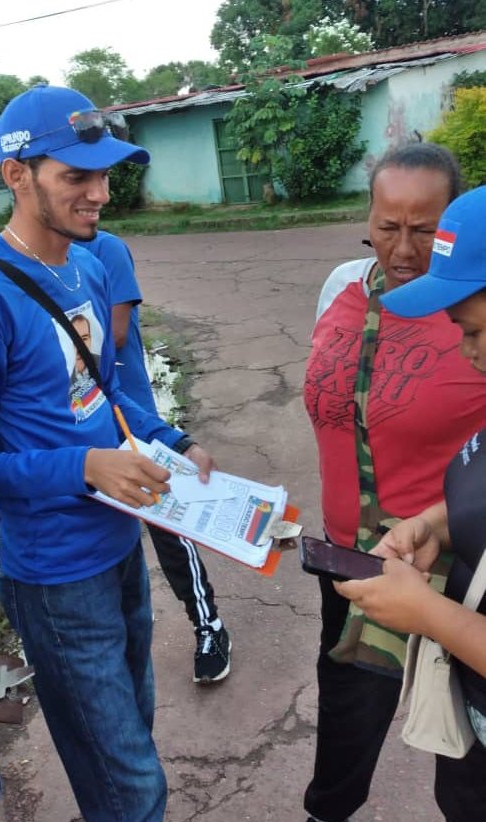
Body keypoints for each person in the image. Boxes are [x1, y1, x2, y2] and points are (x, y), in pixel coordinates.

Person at [0, 84, 218, 822]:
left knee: (129, 742)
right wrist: (85, 468)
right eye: (77, 177)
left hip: (119, 544)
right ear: (16, 175)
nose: (100, 193)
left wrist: (171, 440)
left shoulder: (90, 266)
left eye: (104, 173)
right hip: (56, 575)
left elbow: (100, 397)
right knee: (131, 786)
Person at [303, 143, 486, 822]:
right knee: (346, 707)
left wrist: (439, 524)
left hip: (453, 567)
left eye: (424, 230)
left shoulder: (473, 309)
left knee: (462, 729)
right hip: (359, 556)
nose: (402, 249)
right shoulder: (342, 290)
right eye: (387, 226)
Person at [75, 230, 231, 683]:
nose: (95, 194)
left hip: (131, 419)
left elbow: (115, 333)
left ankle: (209, 624)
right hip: (81, 431)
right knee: (104, 531)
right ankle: (122, 622)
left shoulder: (105, 251)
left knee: (168, 524)